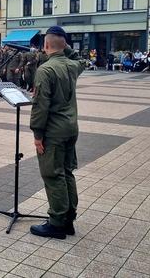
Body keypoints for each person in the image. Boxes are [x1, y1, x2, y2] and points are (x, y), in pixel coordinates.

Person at [30, 26, 87, 239]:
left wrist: (37, 135)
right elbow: (80, 59)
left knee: (53, 175)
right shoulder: (72, 66)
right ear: (64, 45)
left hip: (53, 132)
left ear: (45, 45)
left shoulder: (45, 70)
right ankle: (68, 219)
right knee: (66, 172)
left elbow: (40, 106)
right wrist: (64, 46)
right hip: (71, 127)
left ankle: (57, 222)